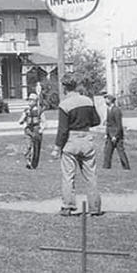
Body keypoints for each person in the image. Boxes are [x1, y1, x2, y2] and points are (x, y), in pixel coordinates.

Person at [51, 74, 103, 216]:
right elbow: (96, 121)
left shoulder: (64, 104)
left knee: (68, 175)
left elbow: (62, 130)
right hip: (86, 138)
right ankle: (95, 208)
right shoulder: (87, 100)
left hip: (71, 139)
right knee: (91, 175)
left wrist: (57, 148)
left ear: (64, 87)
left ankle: (68, 206)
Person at [18, 92, 46, 169]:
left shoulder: (39, 111)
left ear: (35, 101)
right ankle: (28, 161)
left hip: (36, 130)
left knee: (36, 148)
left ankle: (34, 164)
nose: (29, 102)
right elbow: (21, 120)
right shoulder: (26, 110)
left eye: (31, 100)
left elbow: (44, 122)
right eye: (29, 100)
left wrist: (42, 129)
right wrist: (23, 119)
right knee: (27, 147)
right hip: (28, 130)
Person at [102, 94, 130, 170]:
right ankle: (106, 168)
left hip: (116, 136)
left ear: (110, 100)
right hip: (109, 135)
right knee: (107, 152)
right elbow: (109, 123)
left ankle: (126, 168)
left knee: (121, 152)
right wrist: (106, 133)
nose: (105, 100)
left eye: (106, 99)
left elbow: (119, 125)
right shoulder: (109, 109)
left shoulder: (116, 110)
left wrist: (115, 136)